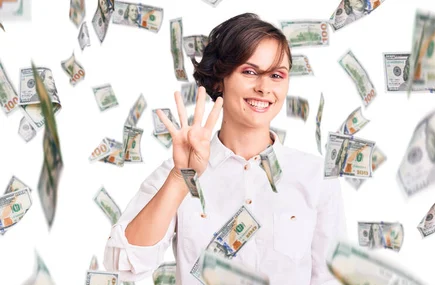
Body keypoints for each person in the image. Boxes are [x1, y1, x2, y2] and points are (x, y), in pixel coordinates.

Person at [103, 13, 346, 285]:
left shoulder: (316, 177)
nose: (264, 87)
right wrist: (179, 178)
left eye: (277, 75)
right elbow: (121, 265)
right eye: (250, 71)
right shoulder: (181, 171)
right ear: (220, 80)